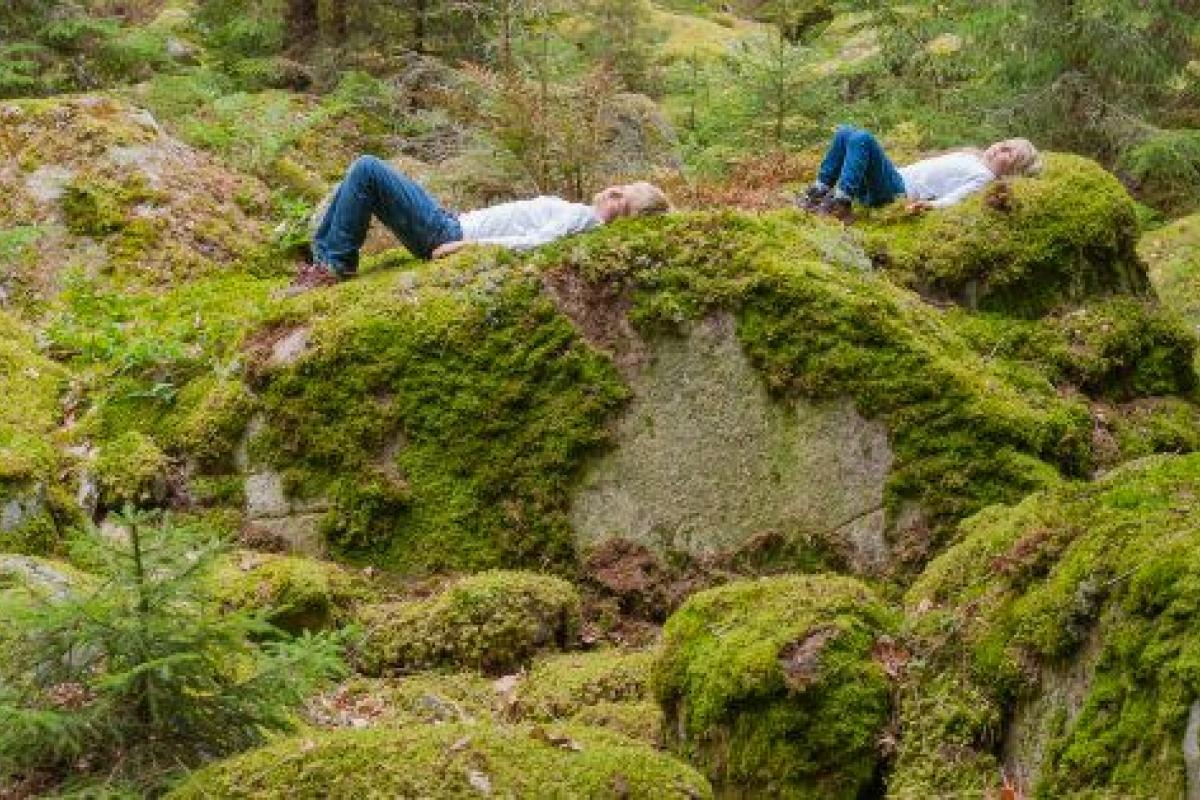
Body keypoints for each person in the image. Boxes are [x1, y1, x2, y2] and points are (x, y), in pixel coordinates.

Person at [289, 155, 672, 291]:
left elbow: (537, 243)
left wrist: (467, 246)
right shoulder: (581, 218)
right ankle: (326, 262)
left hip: (449, 232)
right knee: (361, 176)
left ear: (619, 202)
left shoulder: (583, 218)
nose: (612, 189)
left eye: (621, 191)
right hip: (449, 223)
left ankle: (333, 266)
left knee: (367, 169)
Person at [796, 125, 1042, 223]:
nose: (1000, 147)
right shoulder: (972, 158)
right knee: (845, 133)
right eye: (1003, 143)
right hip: (889, 180)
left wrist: (929, 206)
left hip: (896, 191)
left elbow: (956, 197)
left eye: (1009, 153)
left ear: (1012, 171)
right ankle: (819, 190)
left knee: (862, 138)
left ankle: (841, 202)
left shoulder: (984, 177)